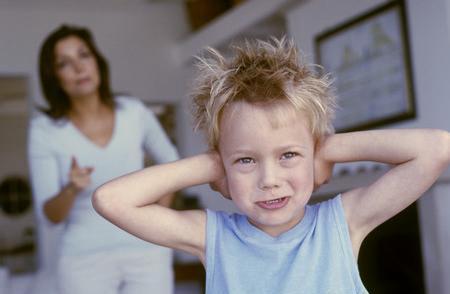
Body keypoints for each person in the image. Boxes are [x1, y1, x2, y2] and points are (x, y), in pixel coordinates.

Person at [92, 38, 450, 293]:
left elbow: (436, 148)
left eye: (288, 155)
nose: (270, 179)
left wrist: (324, 150)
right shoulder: (213, 239)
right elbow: (111, 200)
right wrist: (212, 166)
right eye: (246, 160)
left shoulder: (341, 223)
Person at [28, 24, 178, 294]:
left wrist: (159, 217)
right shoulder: (45, 130)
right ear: (54, 77)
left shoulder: (133, 112)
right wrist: (72, 188)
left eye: (84, 55)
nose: (78, 67)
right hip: (83, 259)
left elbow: (172, 162)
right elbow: (49, 215)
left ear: (97, 60)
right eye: (64, 63)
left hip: (146, 250)